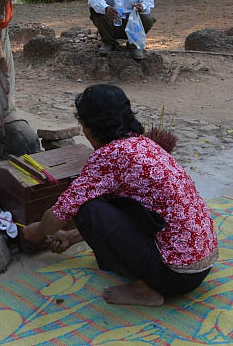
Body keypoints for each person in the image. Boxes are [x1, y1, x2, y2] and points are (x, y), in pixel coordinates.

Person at [22, 84, 217, 306]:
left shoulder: (109, 156)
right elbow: (133, 213)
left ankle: (144, 291)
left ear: (91, 127)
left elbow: (61, 213)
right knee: (106, 198)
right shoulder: (144, 144)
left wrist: (35, 233)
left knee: (87, 208)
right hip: (200, 268)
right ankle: (149, 279)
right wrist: (70, 237)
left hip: (173, 276)